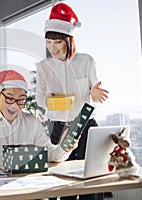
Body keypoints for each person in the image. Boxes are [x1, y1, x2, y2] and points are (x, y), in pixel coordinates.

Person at [36, 3, 109, 200]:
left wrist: (93, 95)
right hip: (59, 128)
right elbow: (40, 99)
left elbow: (95, 99)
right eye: (48, 42)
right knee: (60, 179)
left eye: (57, 42)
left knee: (90, 182)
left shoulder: (87, 61)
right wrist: (57, 103)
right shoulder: (43, 67)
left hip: (86, 127)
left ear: (68, 40)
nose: (52, 48)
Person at [0, 70, 77, 167]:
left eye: (21, 100)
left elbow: (50, 154)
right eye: (9, 98)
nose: (14, 105)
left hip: (22, 184)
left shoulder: (33, 123)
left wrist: (65, 148)